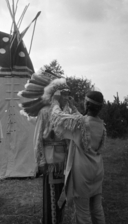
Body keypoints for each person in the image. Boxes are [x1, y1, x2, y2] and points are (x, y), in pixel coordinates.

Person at [18, 67, 79, 224]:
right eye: (64, 93)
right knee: (52, 193)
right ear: (56, 95)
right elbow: (38, 137)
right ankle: (50, 219)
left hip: (66, 160)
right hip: (51, 160)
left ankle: (57, 219)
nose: (68, 96)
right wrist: (41, 160)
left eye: (68, 93)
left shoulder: (69, 112)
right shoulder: (45, 112)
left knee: (62, 193)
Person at [50, 90, 107, 224]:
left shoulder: (79, 123)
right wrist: (73, 106)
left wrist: (56, 102)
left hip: (82, 173)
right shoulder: (101, 125)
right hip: (97, 170)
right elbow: (81, 119)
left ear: (87, 104)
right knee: (97, 208)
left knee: (83, 212)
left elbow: (57, 119)